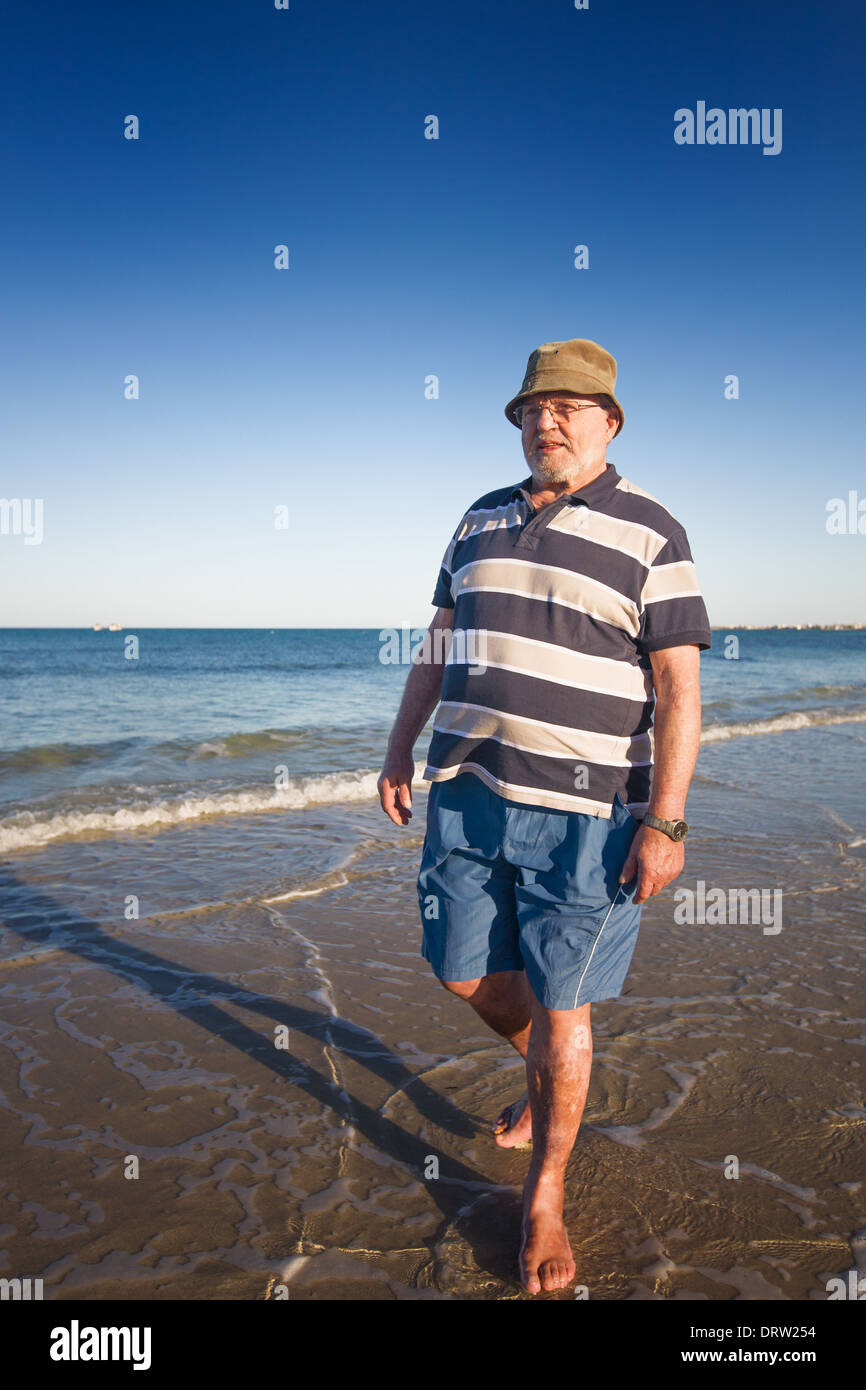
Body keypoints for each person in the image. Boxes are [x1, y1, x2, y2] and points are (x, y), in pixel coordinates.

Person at [377, 337, 712, 1295]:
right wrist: (400, 746)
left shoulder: (653, 531)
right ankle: (545, 1075)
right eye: (532, 409)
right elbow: (438, 646)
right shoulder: (478, 519)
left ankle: (546, 1193)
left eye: (568, 407)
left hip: (593, 814)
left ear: (609, 421)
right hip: (467, 792)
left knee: (566, 1004)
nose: (546, 422)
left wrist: (670, 820)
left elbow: (680, 691)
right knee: (463, 974)